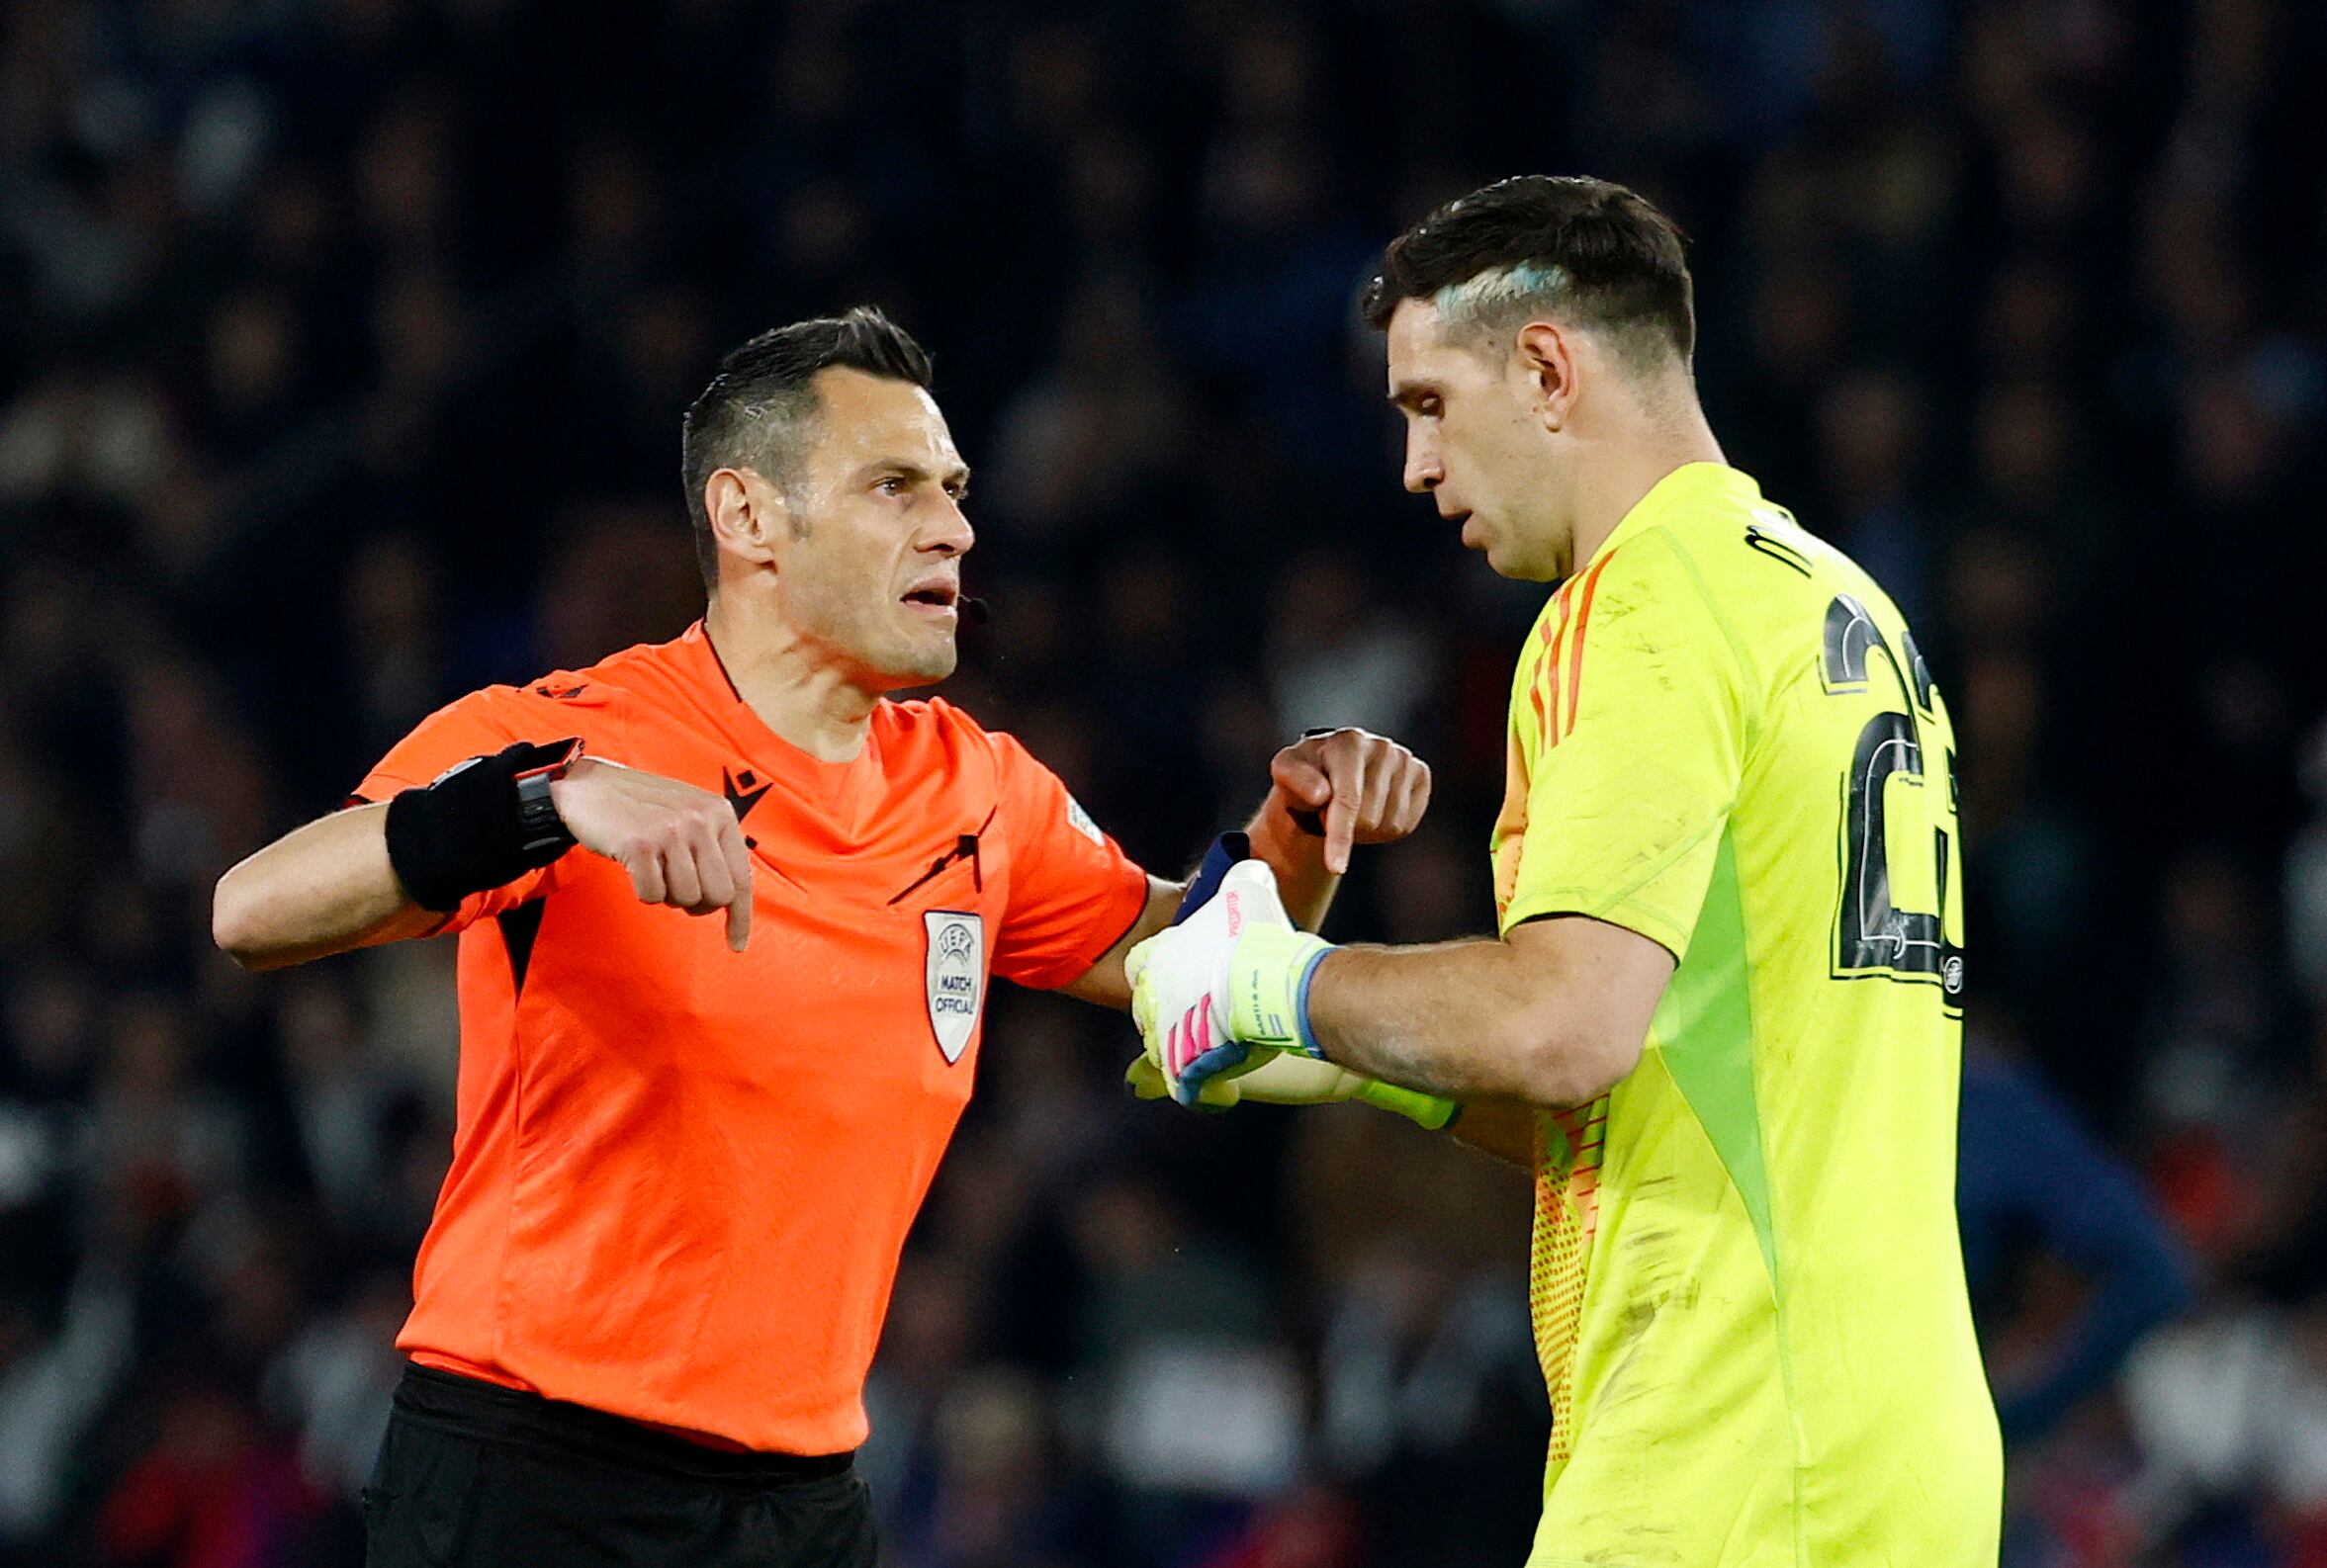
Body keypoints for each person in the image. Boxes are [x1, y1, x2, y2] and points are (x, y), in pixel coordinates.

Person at [209, 307, 1435, 1568]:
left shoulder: (977, 788)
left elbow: (1200, 968)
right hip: (535, 1479)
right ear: (749, 517)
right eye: (894, 486)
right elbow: (251, 909)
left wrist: (1300, 829)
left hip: (802, 1498)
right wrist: (546, 800)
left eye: (953, 490)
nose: (953, 528)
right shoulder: (575, 733)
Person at [1126, 177, 2003, 1565]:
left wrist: (1271, 980)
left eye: (1429, 404)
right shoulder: (1844, 607)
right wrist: (1361, 1056)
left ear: (1544, 369)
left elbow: (1561, 1024)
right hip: (1902, 1452)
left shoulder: (1633, 603)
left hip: (1719, 1445)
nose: (1415, 466)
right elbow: (1669, 1084)